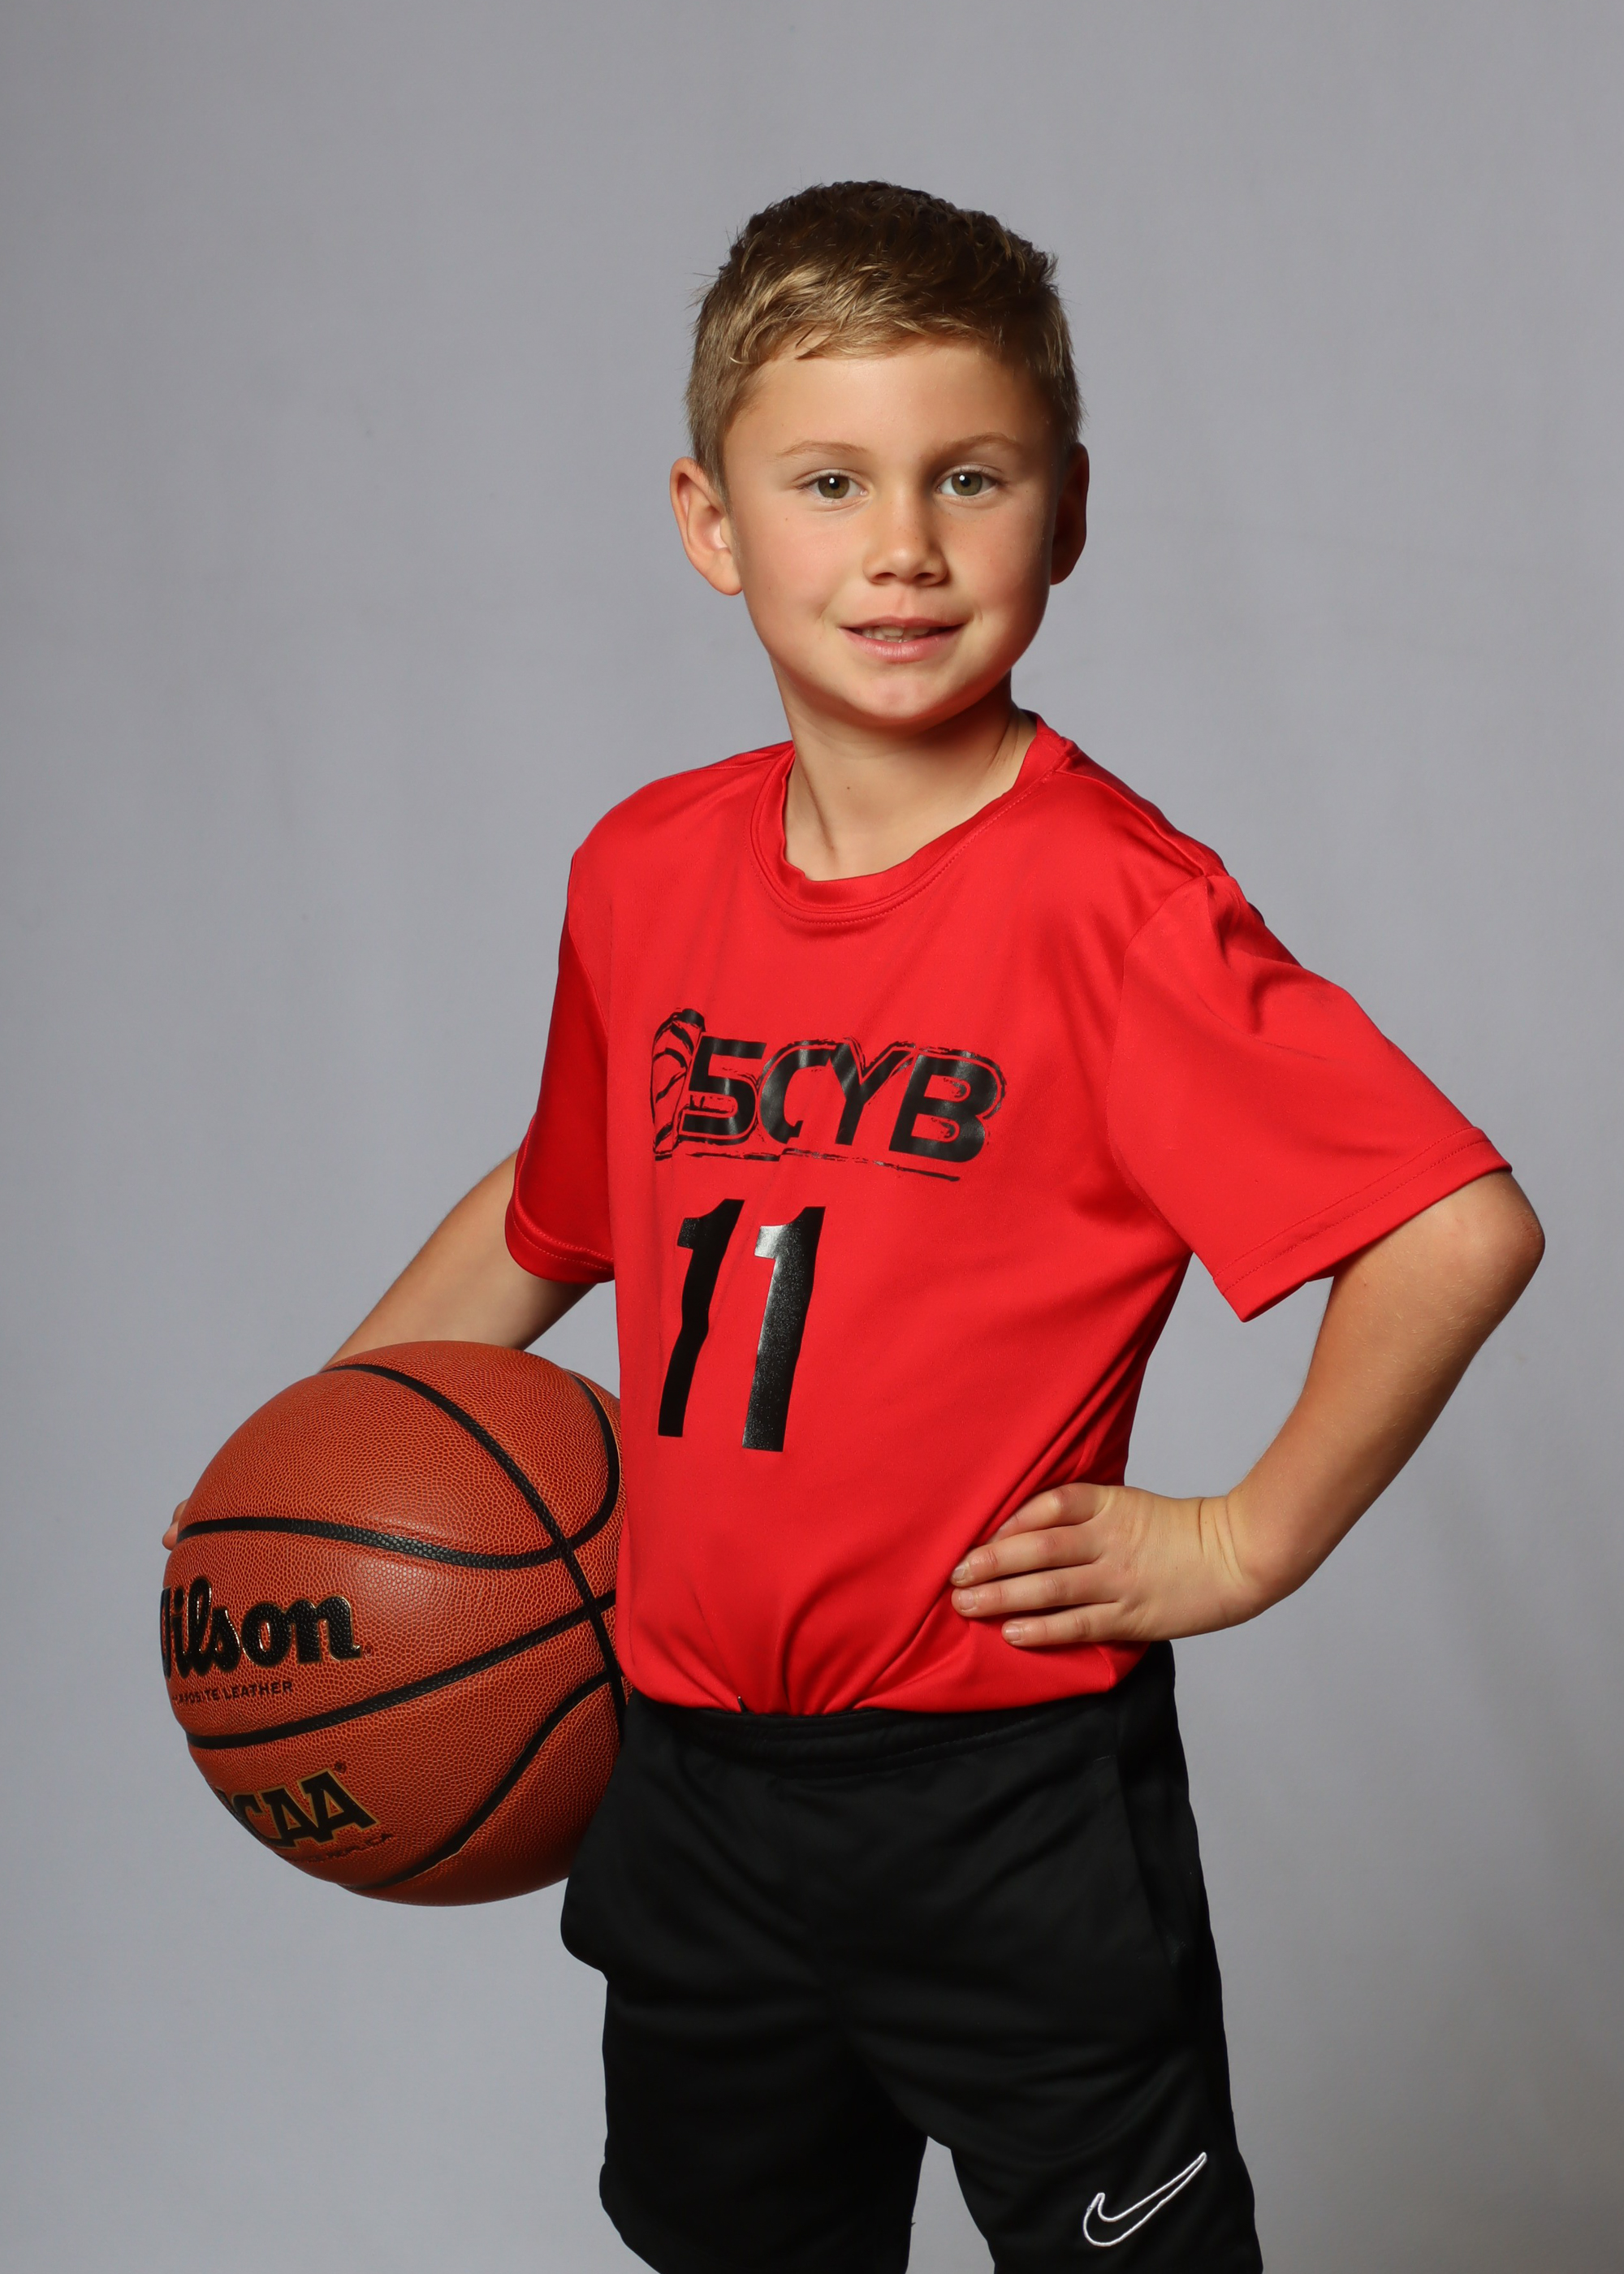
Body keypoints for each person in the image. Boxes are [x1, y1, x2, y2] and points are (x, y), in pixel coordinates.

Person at [172, 183, 1544, 2271]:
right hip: (681, 1771)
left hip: (1001, 1795)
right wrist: (298, 1476)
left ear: (1064, 513)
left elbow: (1453, 1227)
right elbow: (549, 1215)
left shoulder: (1111, 907)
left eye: (966, 477)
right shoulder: (644, 874)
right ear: (711, 521)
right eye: (828, 481)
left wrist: (1244, 1536)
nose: (901, 545)